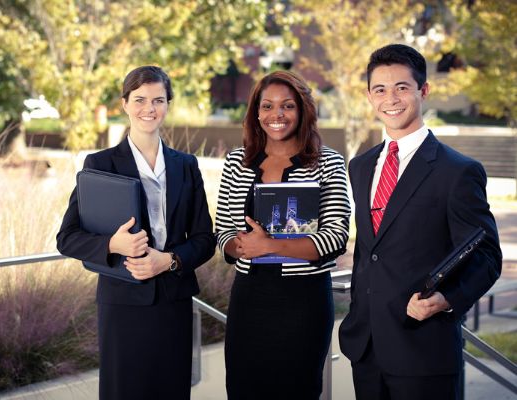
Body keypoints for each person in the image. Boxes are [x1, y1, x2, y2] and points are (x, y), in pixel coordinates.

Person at [338, 44, 502, 400]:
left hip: (424, 350)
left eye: (401, 87)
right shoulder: (361, 166)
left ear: (423, 91)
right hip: (365, 349)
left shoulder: (457, 172)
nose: (390, 98)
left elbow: (487, 256)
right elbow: (372, 251)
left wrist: (446, 298)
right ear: (369, 96)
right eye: (380, 89)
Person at [56, 66, 215, 400]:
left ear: (168, 104)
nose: (149, 108)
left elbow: (204, 239)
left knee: (171, 391)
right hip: (122, 304)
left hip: (173, 302)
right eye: (140, 99)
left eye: (158, 100)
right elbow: (67, 237)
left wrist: (169, 261)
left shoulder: (186, 165)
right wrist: (112, 244)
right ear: (124, 104)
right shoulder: (99, 164)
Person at [215, 70, 351, 399]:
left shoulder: (328, 163)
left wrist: (268, 245)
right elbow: (222, 230)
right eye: (268, 106)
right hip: (249, 299)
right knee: (243, 389)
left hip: (303, 303)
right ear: (256, 112)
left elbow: (335, 238)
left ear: (303, 110)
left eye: (287, 106)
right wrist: (240, 246)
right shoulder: (236, 162)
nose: (277, 115)